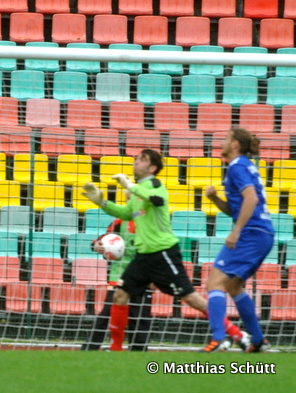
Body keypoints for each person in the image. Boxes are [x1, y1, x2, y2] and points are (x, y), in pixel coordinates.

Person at [81, 149, 247, 351]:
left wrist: (130, 186)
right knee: (119, 296)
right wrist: (102, 202)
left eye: (141, 160)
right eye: (136, 159)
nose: (136, 162)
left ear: (152, 168)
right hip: (143, 257)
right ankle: (116, 350)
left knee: (192, 299)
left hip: (163, 253)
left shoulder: (156, 185)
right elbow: (126, 213)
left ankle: (238, 335)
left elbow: (155, 199)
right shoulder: (136, 193)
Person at [202, 128, 274, 353]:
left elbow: (251, 199)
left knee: (214, 284)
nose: (222, 142)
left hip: (251, 233)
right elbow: (236, 208)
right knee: (233, 286)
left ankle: (219, 339)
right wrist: (215, 199)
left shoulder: (237, 166)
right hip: (263, 234)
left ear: (234, 144)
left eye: (226, 138)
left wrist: (236, 231)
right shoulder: (244, 166)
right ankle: (259, 340)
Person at [81, 218, 153, 352]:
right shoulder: (120, 222)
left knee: (140, 317)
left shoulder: (152, 223)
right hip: (119, 276)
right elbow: (99, 241)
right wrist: (98, 246)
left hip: (144, 276)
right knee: (107, 312)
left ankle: (139, 351)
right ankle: (90, 348)